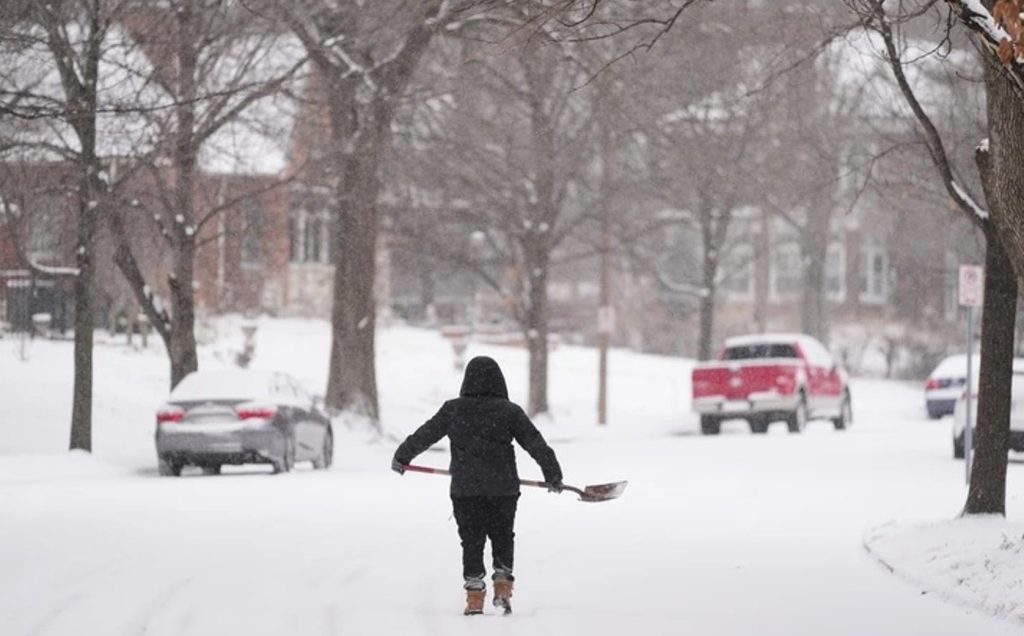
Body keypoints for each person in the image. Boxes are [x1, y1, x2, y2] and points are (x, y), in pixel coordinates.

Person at [391, 355, 563, 616]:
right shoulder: (510, 411)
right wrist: (552, 474)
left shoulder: (453, 409)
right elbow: (535, 443)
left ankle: (474, 596)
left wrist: (402, 456)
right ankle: (503, 586)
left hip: (466, 489)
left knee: (471, 540)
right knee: (503, 535)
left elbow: (426, 434)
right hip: (503, 488)